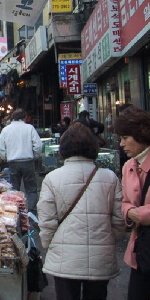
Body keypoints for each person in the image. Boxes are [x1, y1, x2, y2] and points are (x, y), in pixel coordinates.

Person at [37, 124, 125, 300]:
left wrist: (49, 244)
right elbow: (119, 218)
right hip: (100, 256)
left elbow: (47, 220)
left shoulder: (52, 178)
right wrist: (108, 239)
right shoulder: (109, 177)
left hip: (65, 257)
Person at [113, 106, 150, 300]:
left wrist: (140, 215)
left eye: (125, 138)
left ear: (141, 134)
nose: (122, 144)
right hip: (141, 250)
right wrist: (128, 212)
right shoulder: (129, 165)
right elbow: (124, 201)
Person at [0, 108, 42, 215]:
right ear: (24, 117)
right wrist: (34, 156)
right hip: (28, 161)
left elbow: (1, 149)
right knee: (31, 189)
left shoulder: (6, 130)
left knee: (14, 189)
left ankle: (15, 211)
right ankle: (31, 212)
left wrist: (6, 158)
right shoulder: (29, 128)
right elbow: (38, 145)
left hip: (13, 163)